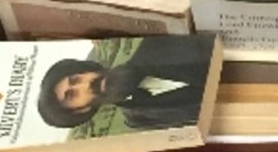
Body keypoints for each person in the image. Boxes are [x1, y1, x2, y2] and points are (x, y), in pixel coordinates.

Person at [34, 43, 204, 130]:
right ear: (81, 111)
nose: (86, 84)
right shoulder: (141, 121)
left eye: (76, 79)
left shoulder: (157, 46)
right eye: (72, 95)